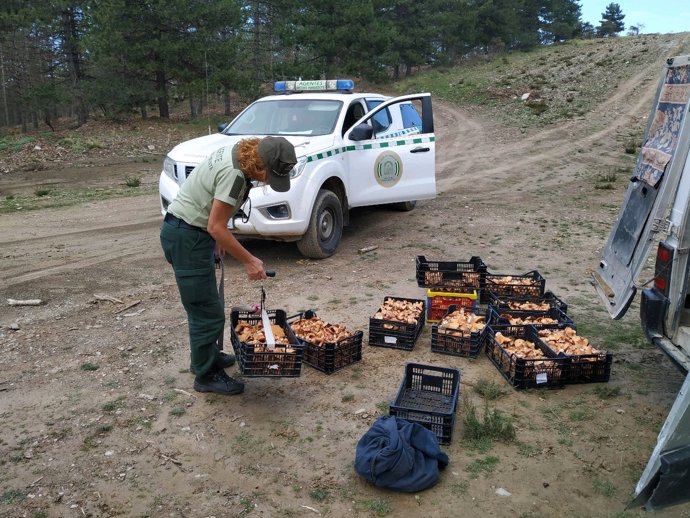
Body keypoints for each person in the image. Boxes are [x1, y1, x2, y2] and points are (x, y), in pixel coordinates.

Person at [160, 136, 297, 395]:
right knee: (207, 312)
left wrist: (216, 238)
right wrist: (249, 260)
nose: (268, 182)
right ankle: (206, 375)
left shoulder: (237, 153)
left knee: (206, 305)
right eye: (270, 176)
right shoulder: (235, 175)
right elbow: (215, 225)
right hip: (187, 237)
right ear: (259, 165)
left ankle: (204, 358)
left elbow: (212, 211)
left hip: (190, 231)